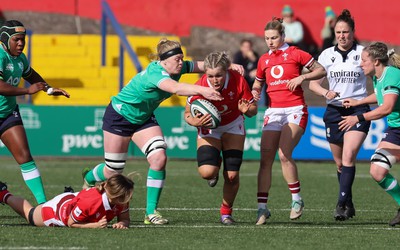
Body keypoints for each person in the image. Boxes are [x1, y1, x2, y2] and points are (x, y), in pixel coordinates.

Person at [82, 38, 244, 225]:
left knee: (159, 158)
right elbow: (176, 88)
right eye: (177, 59)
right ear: (163, 61)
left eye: (182, 58)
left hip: (143, 118)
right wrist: (203, 90)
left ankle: (150, 212)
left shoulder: (176, 67)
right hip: (120, 116)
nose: (181, 62)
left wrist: (230, 65)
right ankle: (88, 176)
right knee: (113, 170)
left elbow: (203, 65)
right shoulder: (156, 74)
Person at [251, 17, 326, 225]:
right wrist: (255, 92)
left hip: (295, 109)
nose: (270, 41)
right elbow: (257, 84)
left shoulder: (296, 53)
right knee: (265, 159)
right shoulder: (263, 60)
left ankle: (296, 200)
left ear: (282, 36)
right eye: (267, 38)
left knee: (284, 154)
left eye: (274, 37)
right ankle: (262, 209)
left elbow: (321, 70)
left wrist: (302, 77)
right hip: (273, 111)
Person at [309, 9, 370, 221]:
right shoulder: (326, 55)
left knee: (348, 156)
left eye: (346, 32)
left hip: (358, 110)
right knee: (339, 164)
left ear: (353, 32)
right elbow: (313, 83)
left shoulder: (363, 53)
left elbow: (379, 78)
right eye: (338, 32)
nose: (342, 36)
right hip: (334, 111)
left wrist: (366, 100)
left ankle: (340, 203)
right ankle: (349, 203)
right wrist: (326, 92)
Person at [0, 20, 70, 204]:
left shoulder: (20, 58)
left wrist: (48, 89)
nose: (21, 43)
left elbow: (31, 75)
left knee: (24, 157)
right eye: (16, 39)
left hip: (7, 113)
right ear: (5, 39)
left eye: (23, 39)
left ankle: (43, 206)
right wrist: (27, 91)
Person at [184, 52, 257, 225]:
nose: (215, 80)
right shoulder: (199, 86)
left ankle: (226, 212)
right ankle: (214, 164)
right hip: (209, 128)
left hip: (233, 124)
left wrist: (248, 110)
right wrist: (193, 120)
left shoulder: (238, 80)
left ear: (226, 72)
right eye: (210, 76)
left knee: (232, 175)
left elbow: (252, 110)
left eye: (219, 75)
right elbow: (187, 113)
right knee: (206, 172)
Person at [338, 42, 400, 227]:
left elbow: (387, 107)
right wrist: (359, 102)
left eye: (364, 60)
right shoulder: (378, 76)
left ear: (377, 61)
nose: (360, 64)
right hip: (396, 131)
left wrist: (358, 118)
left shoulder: (391, 75)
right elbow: (380, 96)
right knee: (377, 171)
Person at [0, 174, 134, 229]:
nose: (130, 198)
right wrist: (93, 225)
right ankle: (4, 194)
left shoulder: (121, 200)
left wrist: (122, 223)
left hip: (74, 200)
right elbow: (71, 222)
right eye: (127, 195)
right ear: (114, 195)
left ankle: (68, 195)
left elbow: (125, 219)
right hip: (58, 212)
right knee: (30, 214)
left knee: (77, 204)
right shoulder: (90, 202)